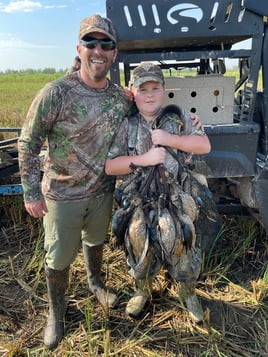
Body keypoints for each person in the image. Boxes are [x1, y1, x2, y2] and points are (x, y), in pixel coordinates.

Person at [18, 14, 133, 350]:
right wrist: (30, 190)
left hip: (101, 193)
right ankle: (57, 311)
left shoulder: (120, 98)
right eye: (91, 43)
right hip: (61, 196)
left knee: (96, 241)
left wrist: (188, 118)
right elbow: (28, 141)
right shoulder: (57, 93)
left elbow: (149, 106)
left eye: (105, 44)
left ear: (114, 53)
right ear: (79, 49)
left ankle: (96, 283)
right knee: (58, 259)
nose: (98, 50)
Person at [105, 62, 213, 322]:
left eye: (155, 87)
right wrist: (146, 158)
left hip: (174, 196)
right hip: (138, 197)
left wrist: (170, 139)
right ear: (133, 91)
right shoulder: (125, 124)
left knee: (181, 244)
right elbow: (109, 166)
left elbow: (204, 145)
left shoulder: (179, 117)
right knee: (137, 240)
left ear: (164, 90)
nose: (150, 94)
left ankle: (188, 293)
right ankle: (142, 290)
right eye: (143, 89)